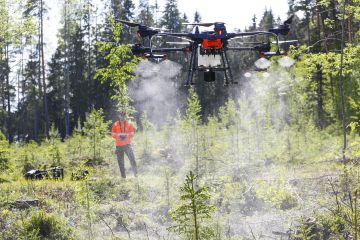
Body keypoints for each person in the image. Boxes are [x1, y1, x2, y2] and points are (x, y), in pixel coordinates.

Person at [111, 111, 137, 178]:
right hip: (119, 146)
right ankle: (123, 177)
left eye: (123, 115)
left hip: (127, 145)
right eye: (121, 115)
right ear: (118, 115)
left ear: (125, 116)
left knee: (132, 160)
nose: (122, 116)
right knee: (121, 162)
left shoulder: (129, 124)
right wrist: (118, 135)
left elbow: (132, 134)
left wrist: (126, 135)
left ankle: (136, 175)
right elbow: (113, 135)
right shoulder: (115, 124)